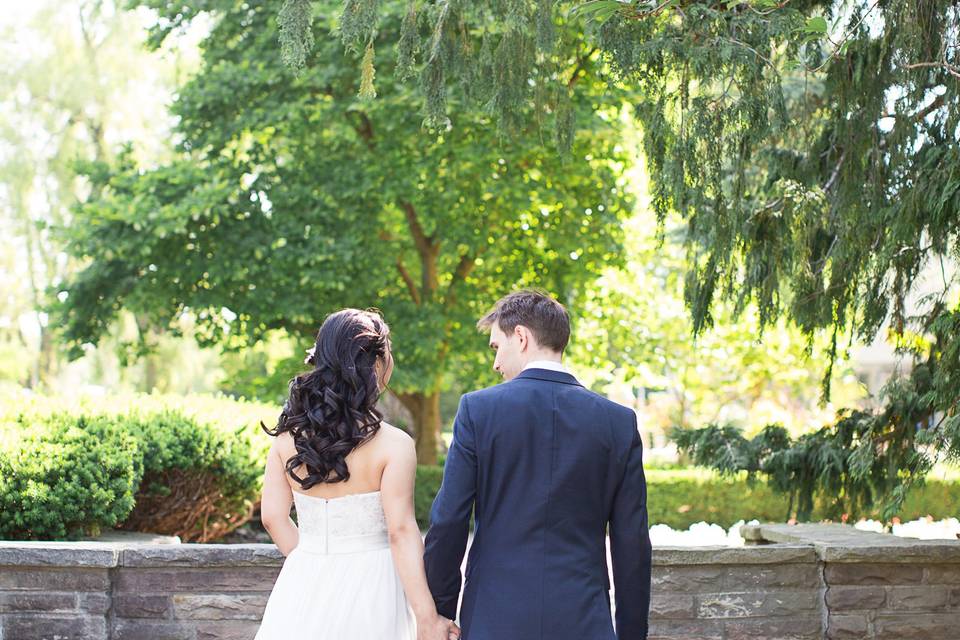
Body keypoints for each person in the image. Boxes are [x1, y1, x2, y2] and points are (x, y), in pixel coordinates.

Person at [424, 290, 652, 639]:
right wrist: (631, 633)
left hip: (493, 616)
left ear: (521, 337)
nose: (495, 363)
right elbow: (631, 540)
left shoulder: (478, 411)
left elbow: (448, 521)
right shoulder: (617, 422)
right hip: (584, 618)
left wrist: (439, 612)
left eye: (496, 347)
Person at [255, 308, 460, 640]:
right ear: (376, 362)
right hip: (374, 585)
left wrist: (315, 563)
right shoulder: (394, 445)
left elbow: (273, 518)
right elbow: (401, 531)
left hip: (303, 580)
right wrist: (427, 617)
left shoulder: (285, 440)